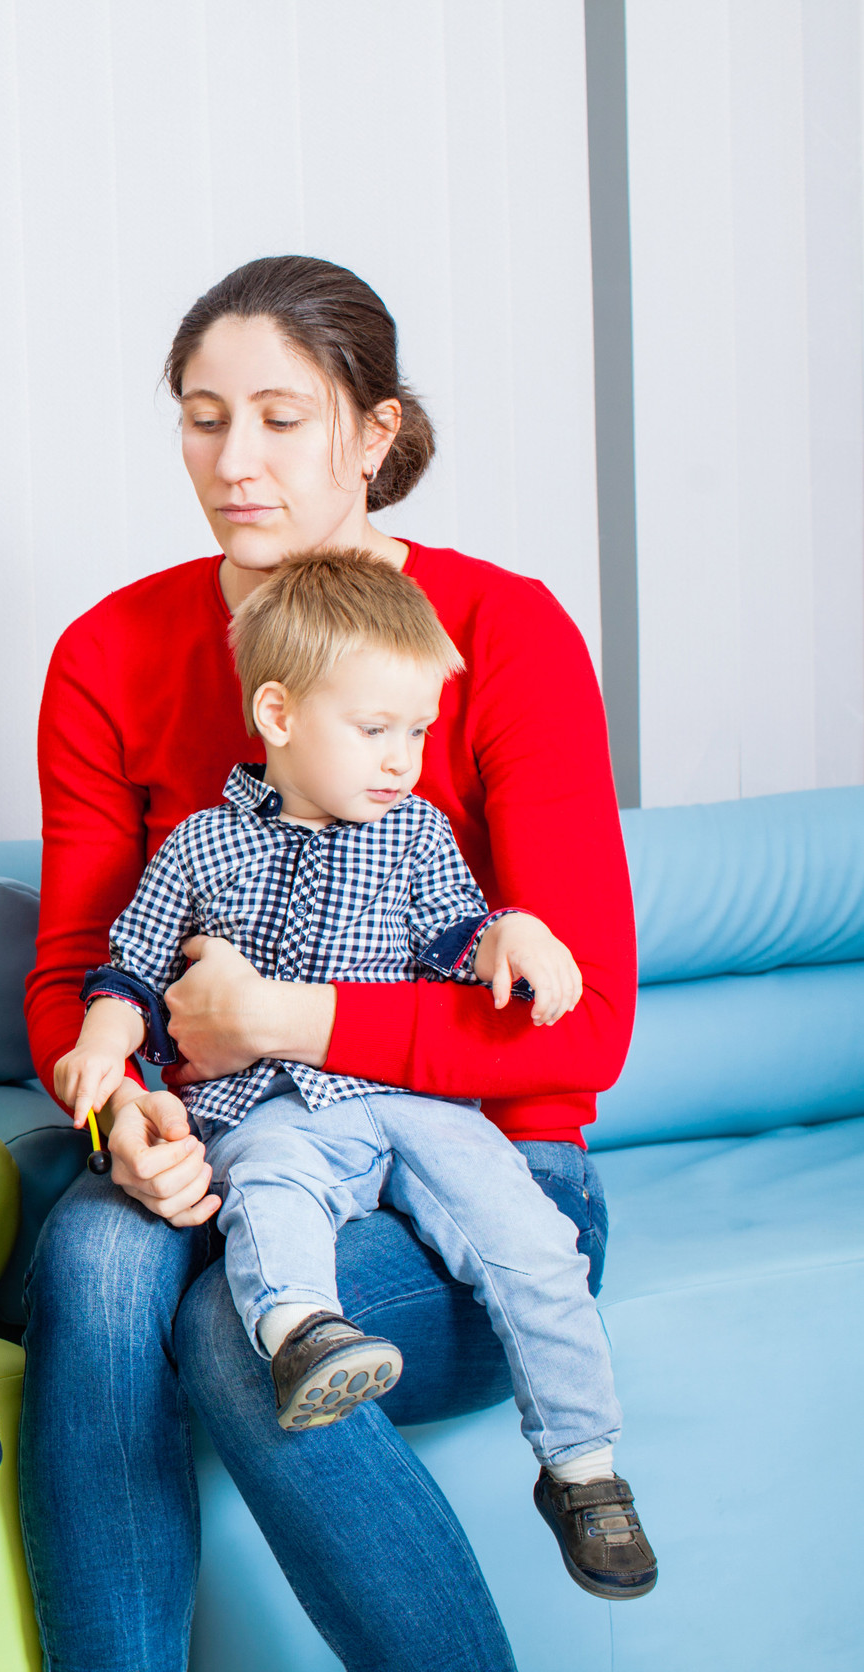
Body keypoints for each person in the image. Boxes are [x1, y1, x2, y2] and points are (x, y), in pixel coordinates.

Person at [21, 255, 638, 1670]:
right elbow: (79, 972)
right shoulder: (107, 653)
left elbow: (579, 1029)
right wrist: (126, 1109)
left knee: (243, 1334)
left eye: (282, 419)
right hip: (227, 1142)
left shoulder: (502, 635)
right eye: (203, 418)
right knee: (96, 1261)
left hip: (478, 1176)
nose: (233, 460)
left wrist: (278, 1018)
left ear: (375, 434)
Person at [49, 551, 655, 1601]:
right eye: (375, 729)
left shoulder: (418, 836)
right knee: (269, 1188)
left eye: (418, 732)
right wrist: (105, 1044)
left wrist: (514, 934)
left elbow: (458, 936)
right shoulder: (198, 847)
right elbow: (129, 969)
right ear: (278, 714)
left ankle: (584, 1463)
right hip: (273, 1109)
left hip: (411, 1102)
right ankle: (302, 1332)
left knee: (522, 1232)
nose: (402, 761)